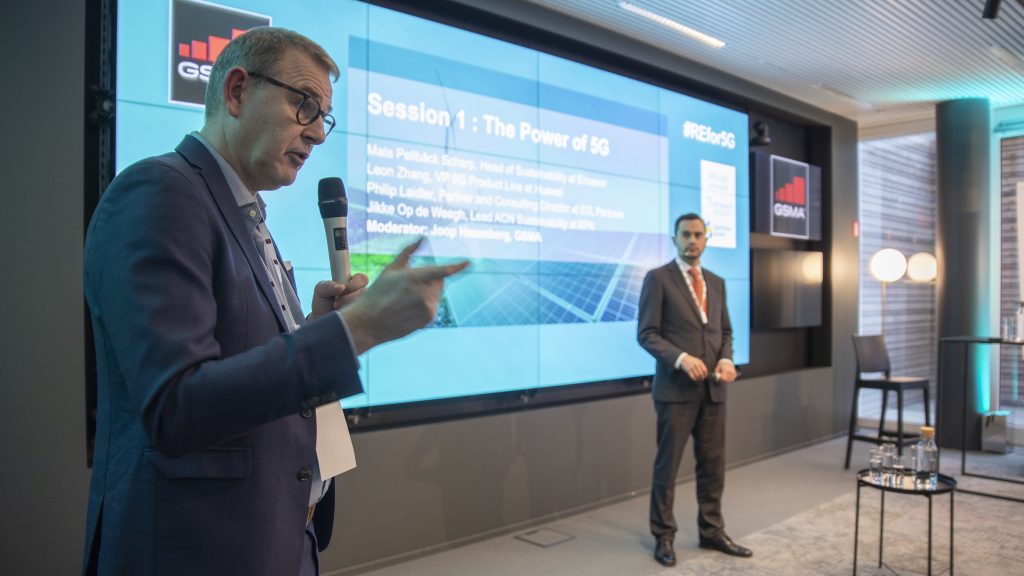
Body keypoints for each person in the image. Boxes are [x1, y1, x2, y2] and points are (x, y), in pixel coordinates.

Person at [81, 27, 467, 576]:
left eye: (324, 117)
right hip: (197, 549)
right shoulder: (163, 193)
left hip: (277, 534)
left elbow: (241, 361)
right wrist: (355, 332)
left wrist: (319, 327)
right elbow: (177, 406)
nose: (317, 135)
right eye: (303, 105)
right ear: (237, 91)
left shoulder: (245, 212)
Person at [637, 213, 751, 567]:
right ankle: (664, 536)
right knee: (667, 467)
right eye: (685, 234)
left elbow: (725, 333)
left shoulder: (716, 282)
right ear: (674, 239)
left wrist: (727, 360)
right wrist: (681, 358)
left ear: (706, 239)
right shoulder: (658, 279)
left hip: (714, 392)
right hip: (675, 391)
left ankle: (712, 532)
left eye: (699, 235)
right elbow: (647, 334)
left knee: (713, 466)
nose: (693, 240)